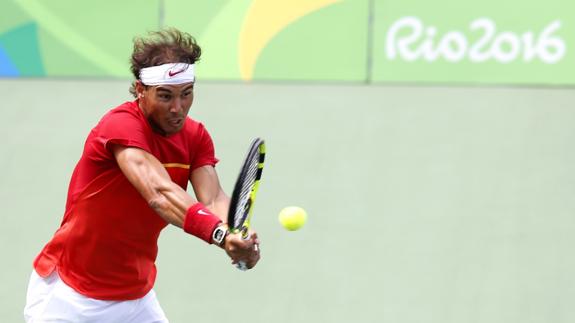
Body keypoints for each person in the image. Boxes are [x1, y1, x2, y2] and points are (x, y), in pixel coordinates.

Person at [24, 28, 261, 322]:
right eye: (165, 96)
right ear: (140, 90)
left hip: (135, 298)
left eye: (186, 94)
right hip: (69, 297)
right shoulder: (120, 126)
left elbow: (213, 199)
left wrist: (236, 235)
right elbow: (159, 194)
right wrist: (219, 235)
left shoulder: (195, 137)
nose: (178, 108)